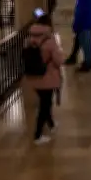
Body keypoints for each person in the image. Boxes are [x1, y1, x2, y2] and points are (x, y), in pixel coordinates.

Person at [23, 13, 64, 145]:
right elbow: (58, 60)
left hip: (34, 76)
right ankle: (37, 135)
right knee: (45, 105)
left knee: (45, 101)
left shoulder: (29, 39)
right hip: (48, 77)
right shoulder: (50, 41)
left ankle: (51, 124)